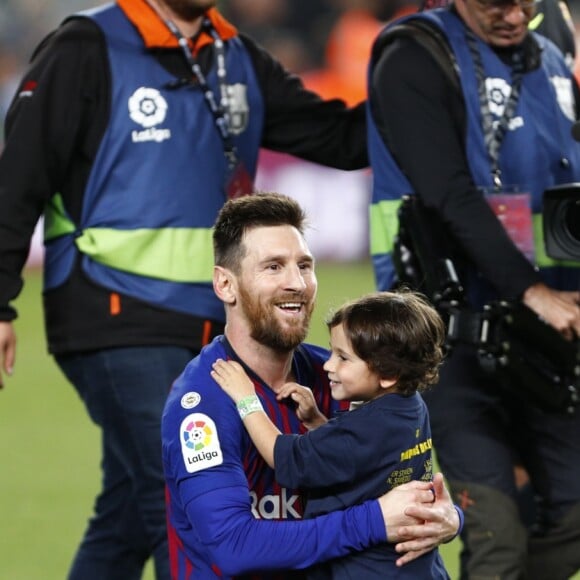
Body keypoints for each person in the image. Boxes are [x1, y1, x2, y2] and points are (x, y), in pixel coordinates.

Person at [0, 1, 377, 578]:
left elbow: (340, 138)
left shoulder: (233, 55)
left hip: (209, 321)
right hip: (114, 309)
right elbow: (18, 175)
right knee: (178, 493)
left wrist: (421, 93)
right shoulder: (86, 46)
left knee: (128, 509)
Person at [367, 0, 580, 578]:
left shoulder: (556, 47)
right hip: (448, 334)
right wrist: (533, 291)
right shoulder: (412, 55)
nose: (514, 14)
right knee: (496, 528)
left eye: (525, 1)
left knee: (571, 515)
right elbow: (448, 192)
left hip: (548, 336)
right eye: (495, 3)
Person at [161, 192, 462, 578]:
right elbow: (234, 547)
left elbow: (398, 478)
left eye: (304, 265)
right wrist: (373, 521)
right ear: (225, 285)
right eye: (273, 267)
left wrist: (447, 518)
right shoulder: (203, 403)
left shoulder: (343, 377)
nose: (297, 283)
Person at [210, 289, 450, 579]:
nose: (328, 366)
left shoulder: (365, 428)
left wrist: (247, 400)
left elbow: (282, 455)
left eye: (343, 358)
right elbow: (362, 459)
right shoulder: (410, 406)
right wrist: (317, 422)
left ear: (388, 374)